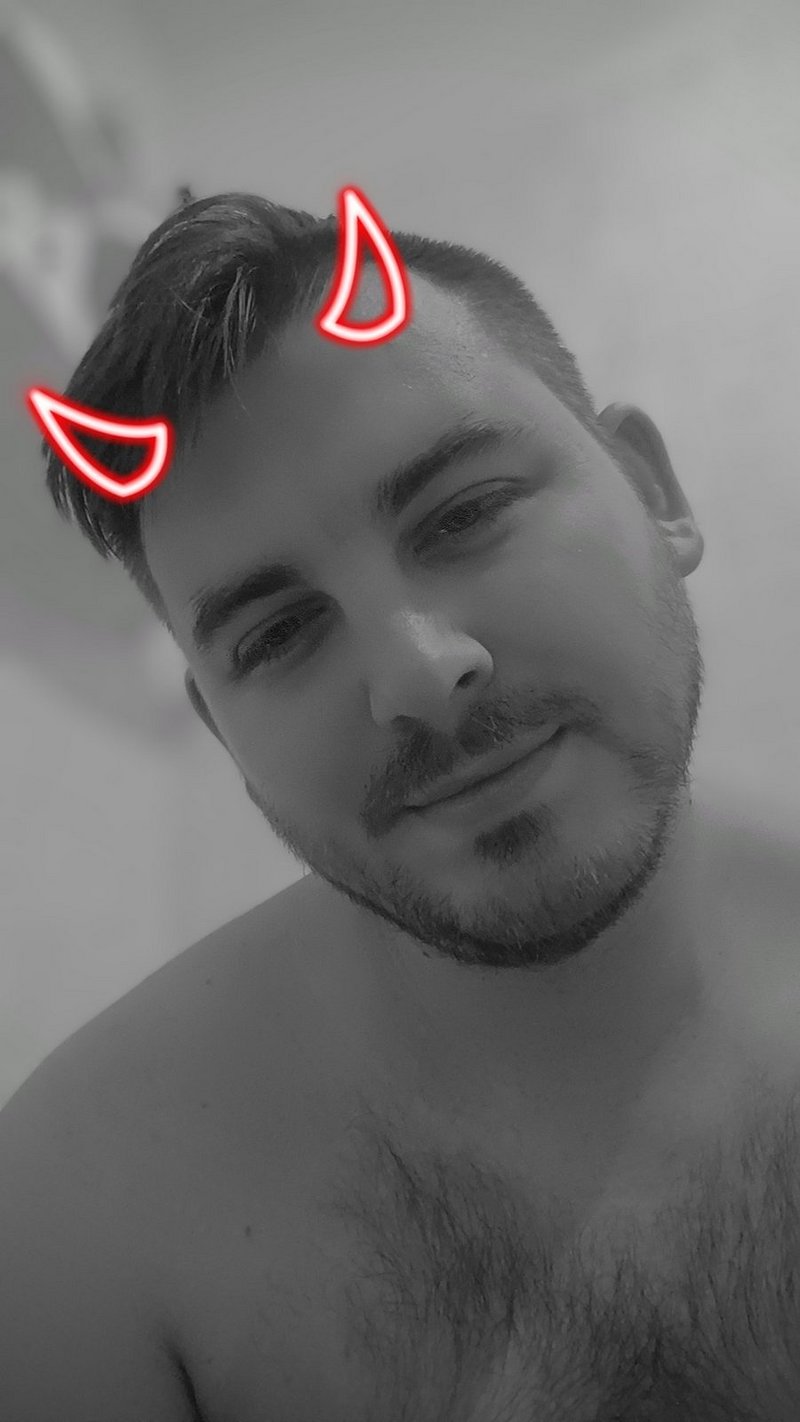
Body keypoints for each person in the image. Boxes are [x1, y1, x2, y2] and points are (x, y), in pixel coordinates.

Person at [1, 191, 799, 1421]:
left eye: (464, 514)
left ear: (651, 489)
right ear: (221, 729)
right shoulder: (78, 1216)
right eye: (277, 634)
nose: (418, 674)